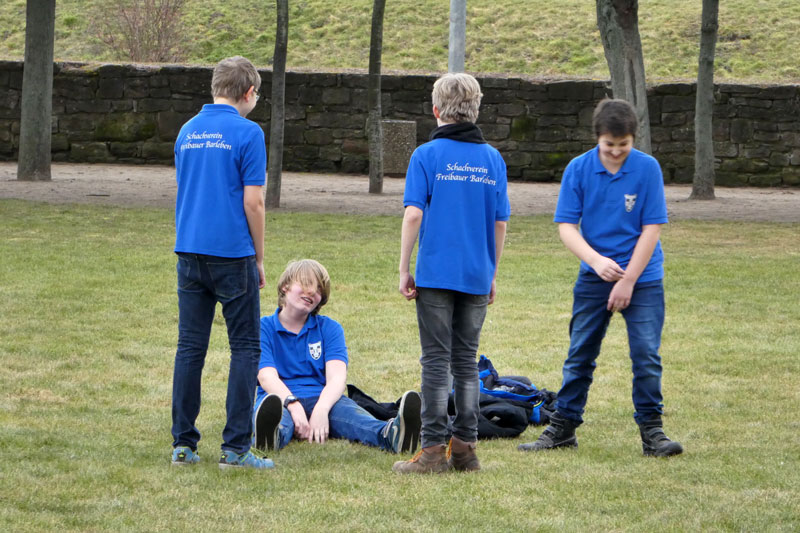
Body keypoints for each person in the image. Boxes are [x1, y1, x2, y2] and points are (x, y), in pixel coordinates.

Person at [518, 98, 683, 457]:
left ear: (633, 139)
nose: (616, 152)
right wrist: (595, 261)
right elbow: (566, 226)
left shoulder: (648, 169)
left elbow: (652, 228)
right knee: (580, 353)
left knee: (646, 355)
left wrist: (628, 280)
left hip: (643, 277)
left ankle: (653, 433)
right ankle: (563, 428)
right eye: (609, 145)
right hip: (595, 277)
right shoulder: (578, 169)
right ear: (597, 138)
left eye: (624, 145)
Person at [393, 73, 510, 474]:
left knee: (435, 362)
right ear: (476, 109)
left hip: (436, 274)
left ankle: (431, 451)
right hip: (477, 273)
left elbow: (413, 214)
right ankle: (465, 448)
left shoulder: (426, 155)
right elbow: (500, 223)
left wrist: (404, 267)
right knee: (466, 361)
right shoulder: (493, 159)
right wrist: (491, 271)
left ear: (435, 110)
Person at [170, 56, 273, 470]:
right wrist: (259, 256)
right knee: (245, 347)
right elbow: (254, 201)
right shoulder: (249, 133)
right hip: (232, 252)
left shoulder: (187, 130)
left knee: (190, 347)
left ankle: (183, 445)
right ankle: (235, 448)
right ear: (248, 93)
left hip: (189, 249)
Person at [252, 259, 422, 455]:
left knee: (356, 418)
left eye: (318, 289)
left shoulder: (330, 328)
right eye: (305, 284)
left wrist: (322, 409)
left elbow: (337, 379)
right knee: (277, 419)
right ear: (285, 286)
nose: (312, 292)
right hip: (278, 399)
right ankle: (270, 436)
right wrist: (293, 405)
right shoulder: (262, 327)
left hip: (324, 397)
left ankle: (392, 435)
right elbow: (267, 377)